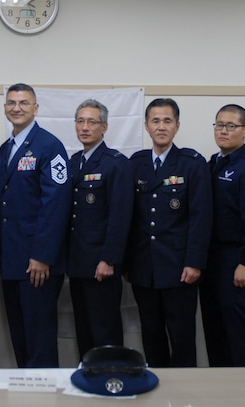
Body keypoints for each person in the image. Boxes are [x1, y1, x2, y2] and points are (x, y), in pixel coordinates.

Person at [125, 98, 212, 367]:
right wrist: (128, 262)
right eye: (155, 121)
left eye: (167, 121)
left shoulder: (192, 163)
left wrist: (194, 262)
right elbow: (129, 217)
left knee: (182, 337)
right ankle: (158, 392)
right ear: (147, 126)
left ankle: (185, 396)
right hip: (144, 268)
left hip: (179, 269)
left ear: (177, 126)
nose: (161, 126)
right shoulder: (136, 163)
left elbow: (201, 217)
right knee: (151, 335)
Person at [0, 83, 71, 367]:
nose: (17, 108)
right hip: (13, 258)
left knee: (39, 338)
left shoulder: (49, 146)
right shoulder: (6, 148)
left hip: (37, 263)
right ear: (5, 108)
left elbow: (56, 205)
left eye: (24, 103)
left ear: (35, 108)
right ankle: (25, 392)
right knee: (20, 334)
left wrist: (42, 255)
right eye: (11, 102)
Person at [199, 104, 245, 367]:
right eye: (219, 125)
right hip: (210, 259)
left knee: (237, 327)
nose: (223, 131)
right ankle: (222, 389)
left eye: (231, 126)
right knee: (214, 327)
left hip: (235, 259)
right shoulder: (213, 164)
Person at [67, 99, 133, 359]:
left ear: (104, 127)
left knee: (105, 332)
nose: (85, 127)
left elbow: (120, 216)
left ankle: (111, 381)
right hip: (77, 263)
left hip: (101, 265)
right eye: (80, 121)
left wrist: (109, 259)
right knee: (83, 330)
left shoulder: (116, 163)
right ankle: (88, 381)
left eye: (92, 122)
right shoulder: (73, 162)